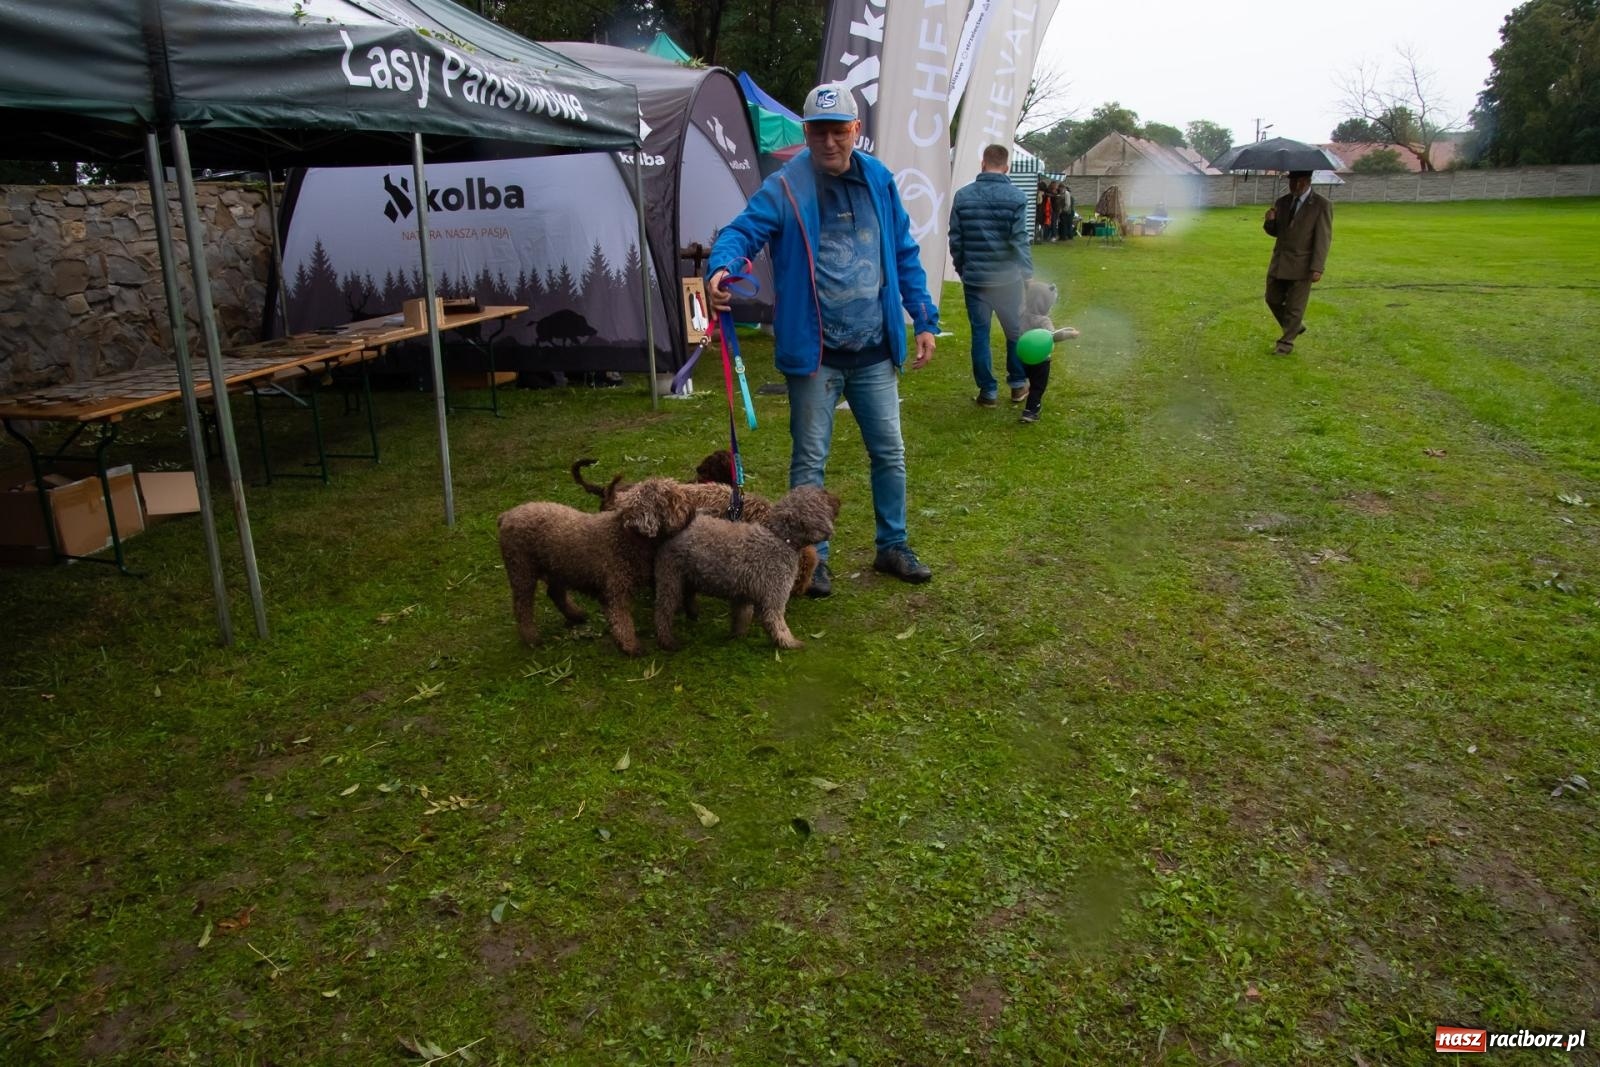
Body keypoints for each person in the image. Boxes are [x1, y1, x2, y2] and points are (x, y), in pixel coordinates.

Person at [706, 83, 939, 598]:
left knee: (890, 453)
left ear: (856, 130)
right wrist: (722, 267)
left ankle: (892, 545)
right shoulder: (787, 186)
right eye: (819, 131)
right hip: (816, 356)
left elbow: (903, 252)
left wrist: (923, 316)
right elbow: (742, 232)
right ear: (806, 132)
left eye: (839, 130)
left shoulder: (878, 179)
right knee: (810, 459)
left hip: (874, 350)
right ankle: (814, 558)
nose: (829, 142)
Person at [948, 143, 1033, 408]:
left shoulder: (962, 197)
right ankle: (1018, 385)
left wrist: (962, 268)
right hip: (1008, 280)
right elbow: (1020, 240)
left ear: (982, 163)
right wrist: (1028, 273)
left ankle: (988, 392)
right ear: (1006, 167)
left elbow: (956, 240)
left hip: (975, 280)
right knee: (1015, 332)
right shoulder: (1017, 198)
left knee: (980, 335)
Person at [1262, 170, 1332, 355]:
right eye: (1292, 182)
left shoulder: (1321, 205)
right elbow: (1276, 232)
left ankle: (1285, 344)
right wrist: (1269, 222)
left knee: (1295, 306)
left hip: (1303, 264)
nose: (1294, 186)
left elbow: (1323, 238)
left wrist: (1317, 267)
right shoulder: (1282, 202)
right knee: (1272, 298)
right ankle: (1295, 326)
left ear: (1307, 181)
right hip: (1280, 261)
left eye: (1299, 182)